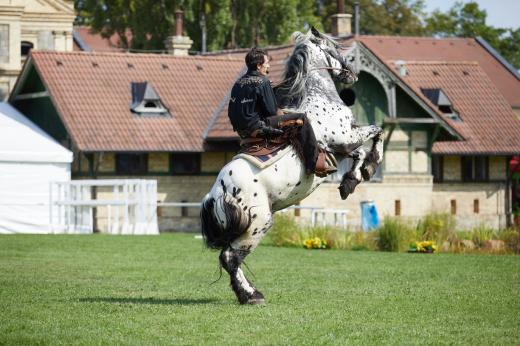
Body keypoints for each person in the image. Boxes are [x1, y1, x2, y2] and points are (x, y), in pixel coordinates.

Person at [228, 47, 335, 177]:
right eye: (266, 63)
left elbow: (235, 111)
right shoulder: (263, 81)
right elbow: (272, 111)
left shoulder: (238, 83)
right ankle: (313, 165)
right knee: (302, 119)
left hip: (242, 130)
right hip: (260, 126)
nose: (268, 65)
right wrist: (268, 91)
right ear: (258, 65)